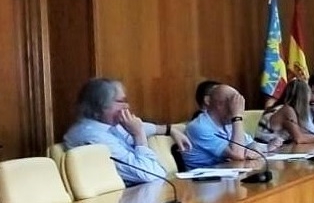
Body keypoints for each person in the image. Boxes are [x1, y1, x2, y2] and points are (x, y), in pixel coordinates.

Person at [64, 77, 193, 185]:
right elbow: (152, 174)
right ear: (100, 106)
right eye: (120, 101)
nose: (127, 106)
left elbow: (141, 126)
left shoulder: (105, 125)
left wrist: (169, 130)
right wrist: (138, 134)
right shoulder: (93, 136)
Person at [182, 83, 281, 169]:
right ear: (219, 105)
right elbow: (237, 155)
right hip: (202, 181)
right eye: (235, 105)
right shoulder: (199, 127)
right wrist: (237, 117)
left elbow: (251, 144)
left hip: (227, 174)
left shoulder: (227, 122)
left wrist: (266, 147)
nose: (238, 109)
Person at [255, 79, 314, 145]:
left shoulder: (287, 108)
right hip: (264, 151)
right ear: (303, 98)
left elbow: (304, 131)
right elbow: (299, 138)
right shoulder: (287, 110)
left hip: (273, 149)